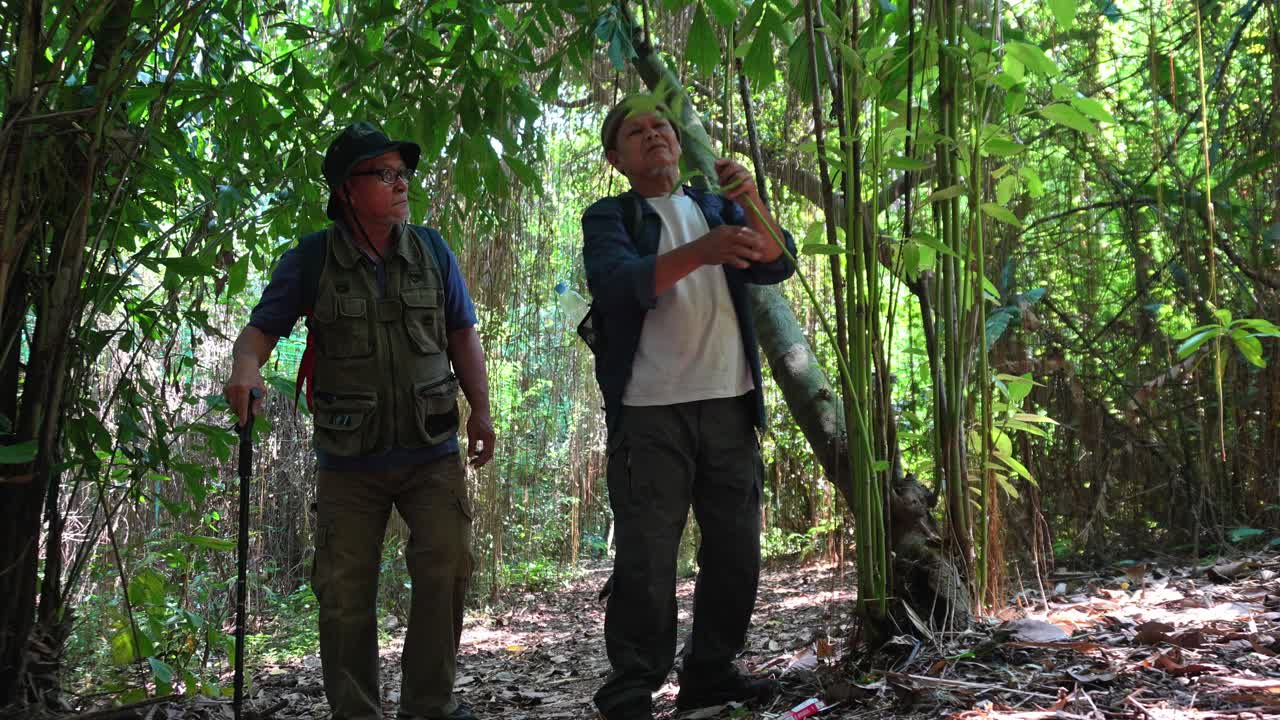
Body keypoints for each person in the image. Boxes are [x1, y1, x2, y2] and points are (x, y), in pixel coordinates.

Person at [223, 122, 495, 720]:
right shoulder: (312, 259)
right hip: (349, 461)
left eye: (404, 173)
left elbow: (461, 335)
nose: (401, 185)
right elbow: (260, 332)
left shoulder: (432, 251)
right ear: (347, 189)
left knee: (445, 574)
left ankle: (429, 708)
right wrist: (246, 368)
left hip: (431, 450)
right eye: (386, 174)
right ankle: (356, 712)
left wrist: (481, 407)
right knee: (344, 596)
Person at [581, 95, 796, 720]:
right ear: (617, 158)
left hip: (730, 402)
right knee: (648, 556)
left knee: (735, 550)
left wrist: (750, 199)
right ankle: (630, 690)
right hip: (651, 409)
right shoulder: (612, 216)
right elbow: (619, 285)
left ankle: (711, 672)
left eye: (662, 127)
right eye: (636, 132)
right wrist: (703, 251)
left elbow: (777, 263)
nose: (654, 137)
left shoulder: (713, 206)